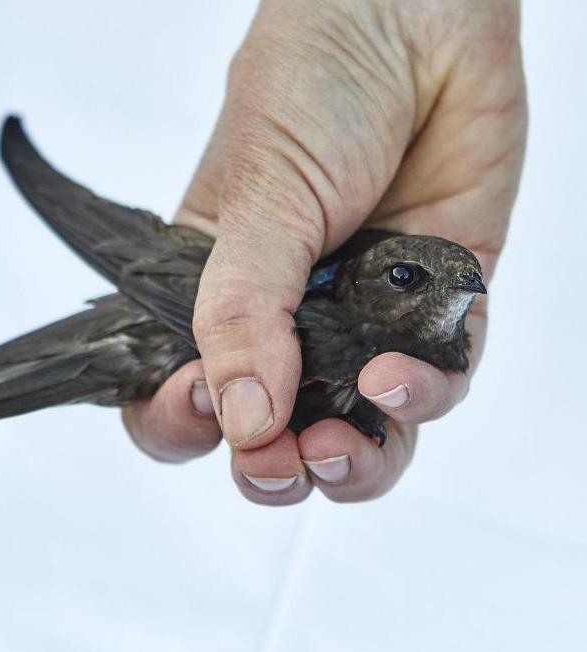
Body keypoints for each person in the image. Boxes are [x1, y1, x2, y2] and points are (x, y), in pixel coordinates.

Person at [121, 0, 527, 504]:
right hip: (184, 308)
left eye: (467, 281)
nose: (462, 288)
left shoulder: (428, 351)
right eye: (405, 277)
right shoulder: (349, 338)